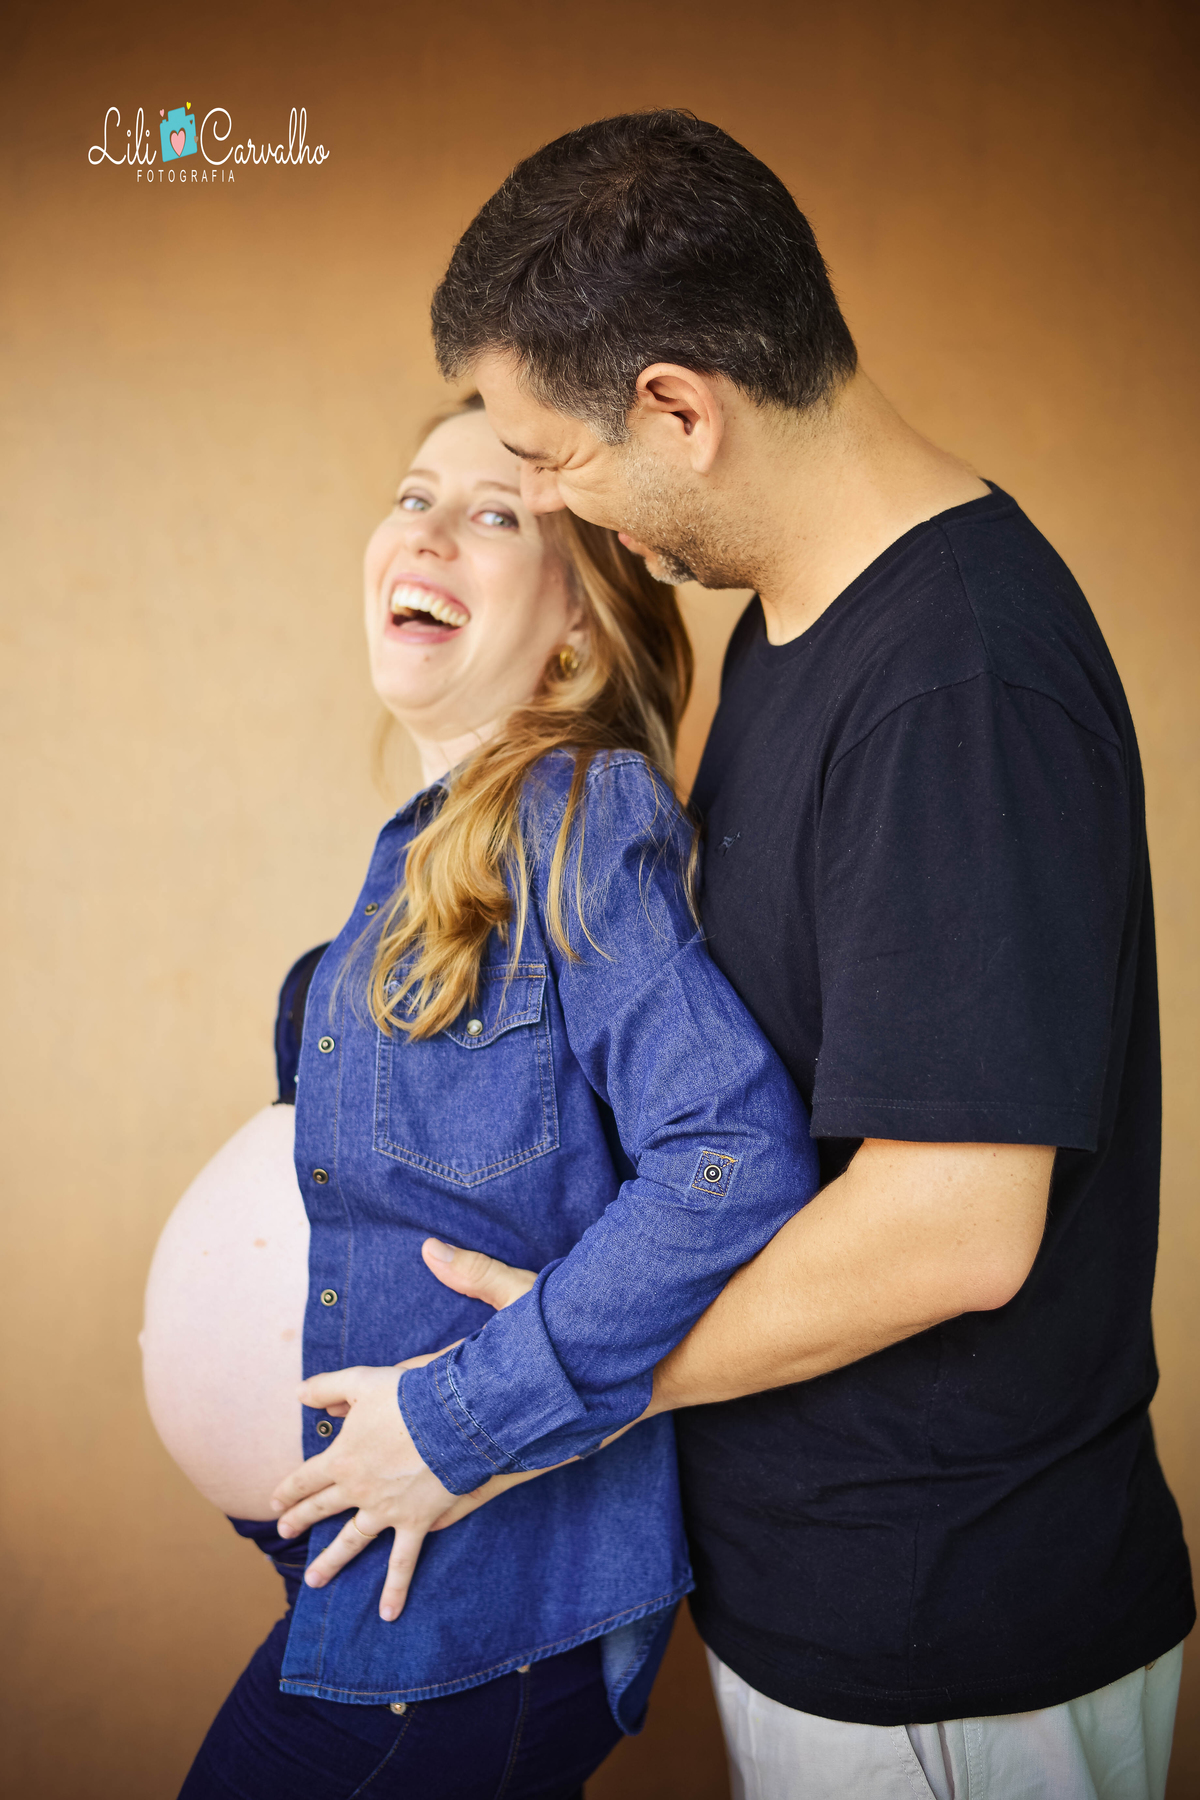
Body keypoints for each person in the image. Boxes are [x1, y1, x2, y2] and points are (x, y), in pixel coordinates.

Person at [291, 113, 1192, 1798]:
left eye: (548, 460)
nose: (546, 502)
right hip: (823, 1610)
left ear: (680, 411)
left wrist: (520, 1402)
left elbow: (953, 1230)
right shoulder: (788, 630)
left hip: (954, 1643)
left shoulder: (958, 683)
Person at [165, 394, 820, 1799]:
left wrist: (459, 1421)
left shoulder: (576, 820)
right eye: (414, 495)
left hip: (475, 1618)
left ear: (579, 625)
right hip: (394, 1594)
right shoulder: (427, 859)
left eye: (497, 514)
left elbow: (732, 1156)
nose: (431, 530)